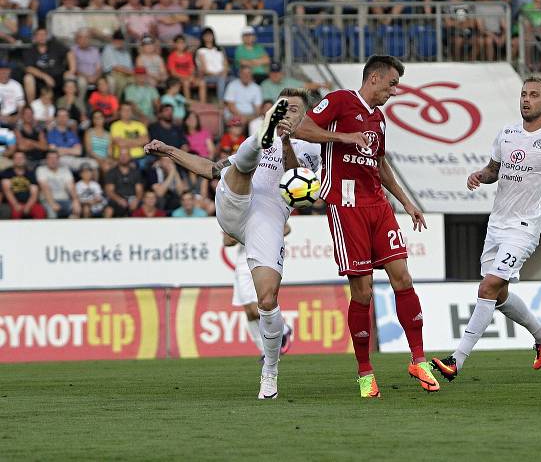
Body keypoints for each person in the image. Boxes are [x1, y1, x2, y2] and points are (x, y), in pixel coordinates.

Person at [145, 88, 320, 399]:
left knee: (266, 301)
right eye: (282, 108)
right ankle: (258, 138)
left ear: (305, 116)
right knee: (241, 165)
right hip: (236, 204)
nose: (288, 114)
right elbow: (211, 169)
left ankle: (270, 370)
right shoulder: (259, 145)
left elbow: (297, 181)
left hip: (267, 219)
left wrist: (286, 141)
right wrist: (170, 150)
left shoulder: (313, 148)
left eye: (293, 109)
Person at [294, 56, 438, 397]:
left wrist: (405, 201)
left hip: (378, 204)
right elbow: (302, 128)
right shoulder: (341, 100)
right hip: (346, 205)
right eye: (391, 84)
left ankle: (418, 358)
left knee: (402, 276)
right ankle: (365, 373)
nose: (393, 90)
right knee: (363, 291)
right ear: (373, 78)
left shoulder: (379, 119)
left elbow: (380, 162)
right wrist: (344, 136)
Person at [431, 77, 541, 381]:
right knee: (499, 296)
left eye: (535, 95)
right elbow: (493, 170)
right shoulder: (507, 134)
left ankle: (456, 361)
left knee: (487, 287)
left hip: (524, 228)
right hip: (496, 224)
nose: (527, 99)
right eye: (524, 94)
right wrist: (479, 175)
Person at [224, 230, 293, 359]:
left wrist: (260, 234)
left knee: (259, 308)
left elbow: (286, 228)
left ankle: (283, 329)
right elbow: (226, 242)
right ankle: (264, 352)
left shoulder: (264, 211)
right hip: (242, 265)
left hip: (262, 261)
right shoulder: (234, 214)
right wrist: (236, 236)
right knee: (249, 312)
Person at [1, 150, 47, 219]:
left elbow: (34, 193)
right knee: (14, 213)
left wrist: (28, 206)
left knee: (40, 211)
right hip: (12, 203)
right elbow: (7, 191)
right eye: (17, 158)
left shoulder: (31, 173)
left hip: (30, 203)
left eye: (21, 158)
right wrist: (15, 205)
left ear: (25, 160)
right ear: (13, 160)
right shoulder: (6, 173)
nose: (19, 160)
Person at [36, 149, 80, 218]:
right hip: (47, 201)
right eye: (50, 158)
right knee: (52, 213)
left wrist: (75, 200)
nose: (53, 161)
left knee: (76, 210)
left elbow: (71, 187)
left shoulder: (65, 170)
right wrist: (52, 203)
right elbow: (45, 187)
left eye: (55, 158)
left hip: (64, 200)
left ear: (58, 159)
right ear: (46, 160)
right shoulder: (41, 170)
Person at [103, 148, 144, 217]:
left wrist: (136, 200)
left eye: (126, 155)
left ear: (130, 157)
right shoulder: (111, 172)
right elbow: (109, 191)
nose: (123, 157)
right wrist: (119, 200)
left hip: (132, 198)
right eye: (121, 155)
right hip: (117, 199)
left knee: (145, 205)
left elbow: (139, 190)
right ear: (118, 157)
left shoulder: (136, 172)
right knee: (109, 209)